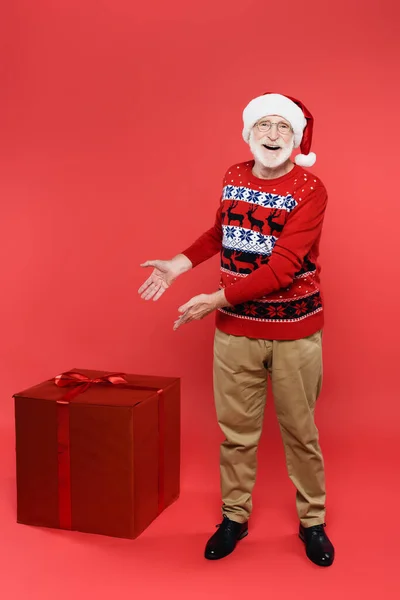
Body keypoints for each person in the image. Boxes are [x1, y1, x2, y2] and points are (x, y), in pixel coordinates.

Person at [138, 92, 335, 567]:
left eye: (283, 128)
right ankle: (234, 517)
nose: (272, 135)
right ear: (249, 133)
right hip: (235, 334)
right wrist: (178, 264)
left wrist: (214, 301)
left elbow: (283, 268)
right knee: (237, 434)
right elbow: (220, 232)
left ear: (296, 139)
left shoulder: (311, 190)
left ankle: (313, 522)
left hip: (295, 331)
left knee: (300, 432)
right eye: (264, 126)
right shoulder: (234, 176)